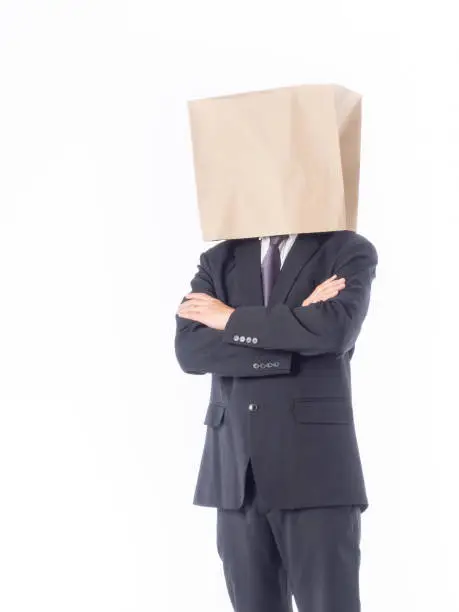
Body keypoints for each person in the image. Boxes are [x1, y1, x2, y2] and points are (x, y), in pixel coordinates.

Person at [175, 228, 378, 612]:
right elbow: (191, 350)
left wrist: (229, 319)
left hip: (316, 474)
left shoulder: (346, 250)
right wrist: (295, 326)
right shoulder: (219, 259)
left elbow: (334, 332)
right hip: (236, 475)